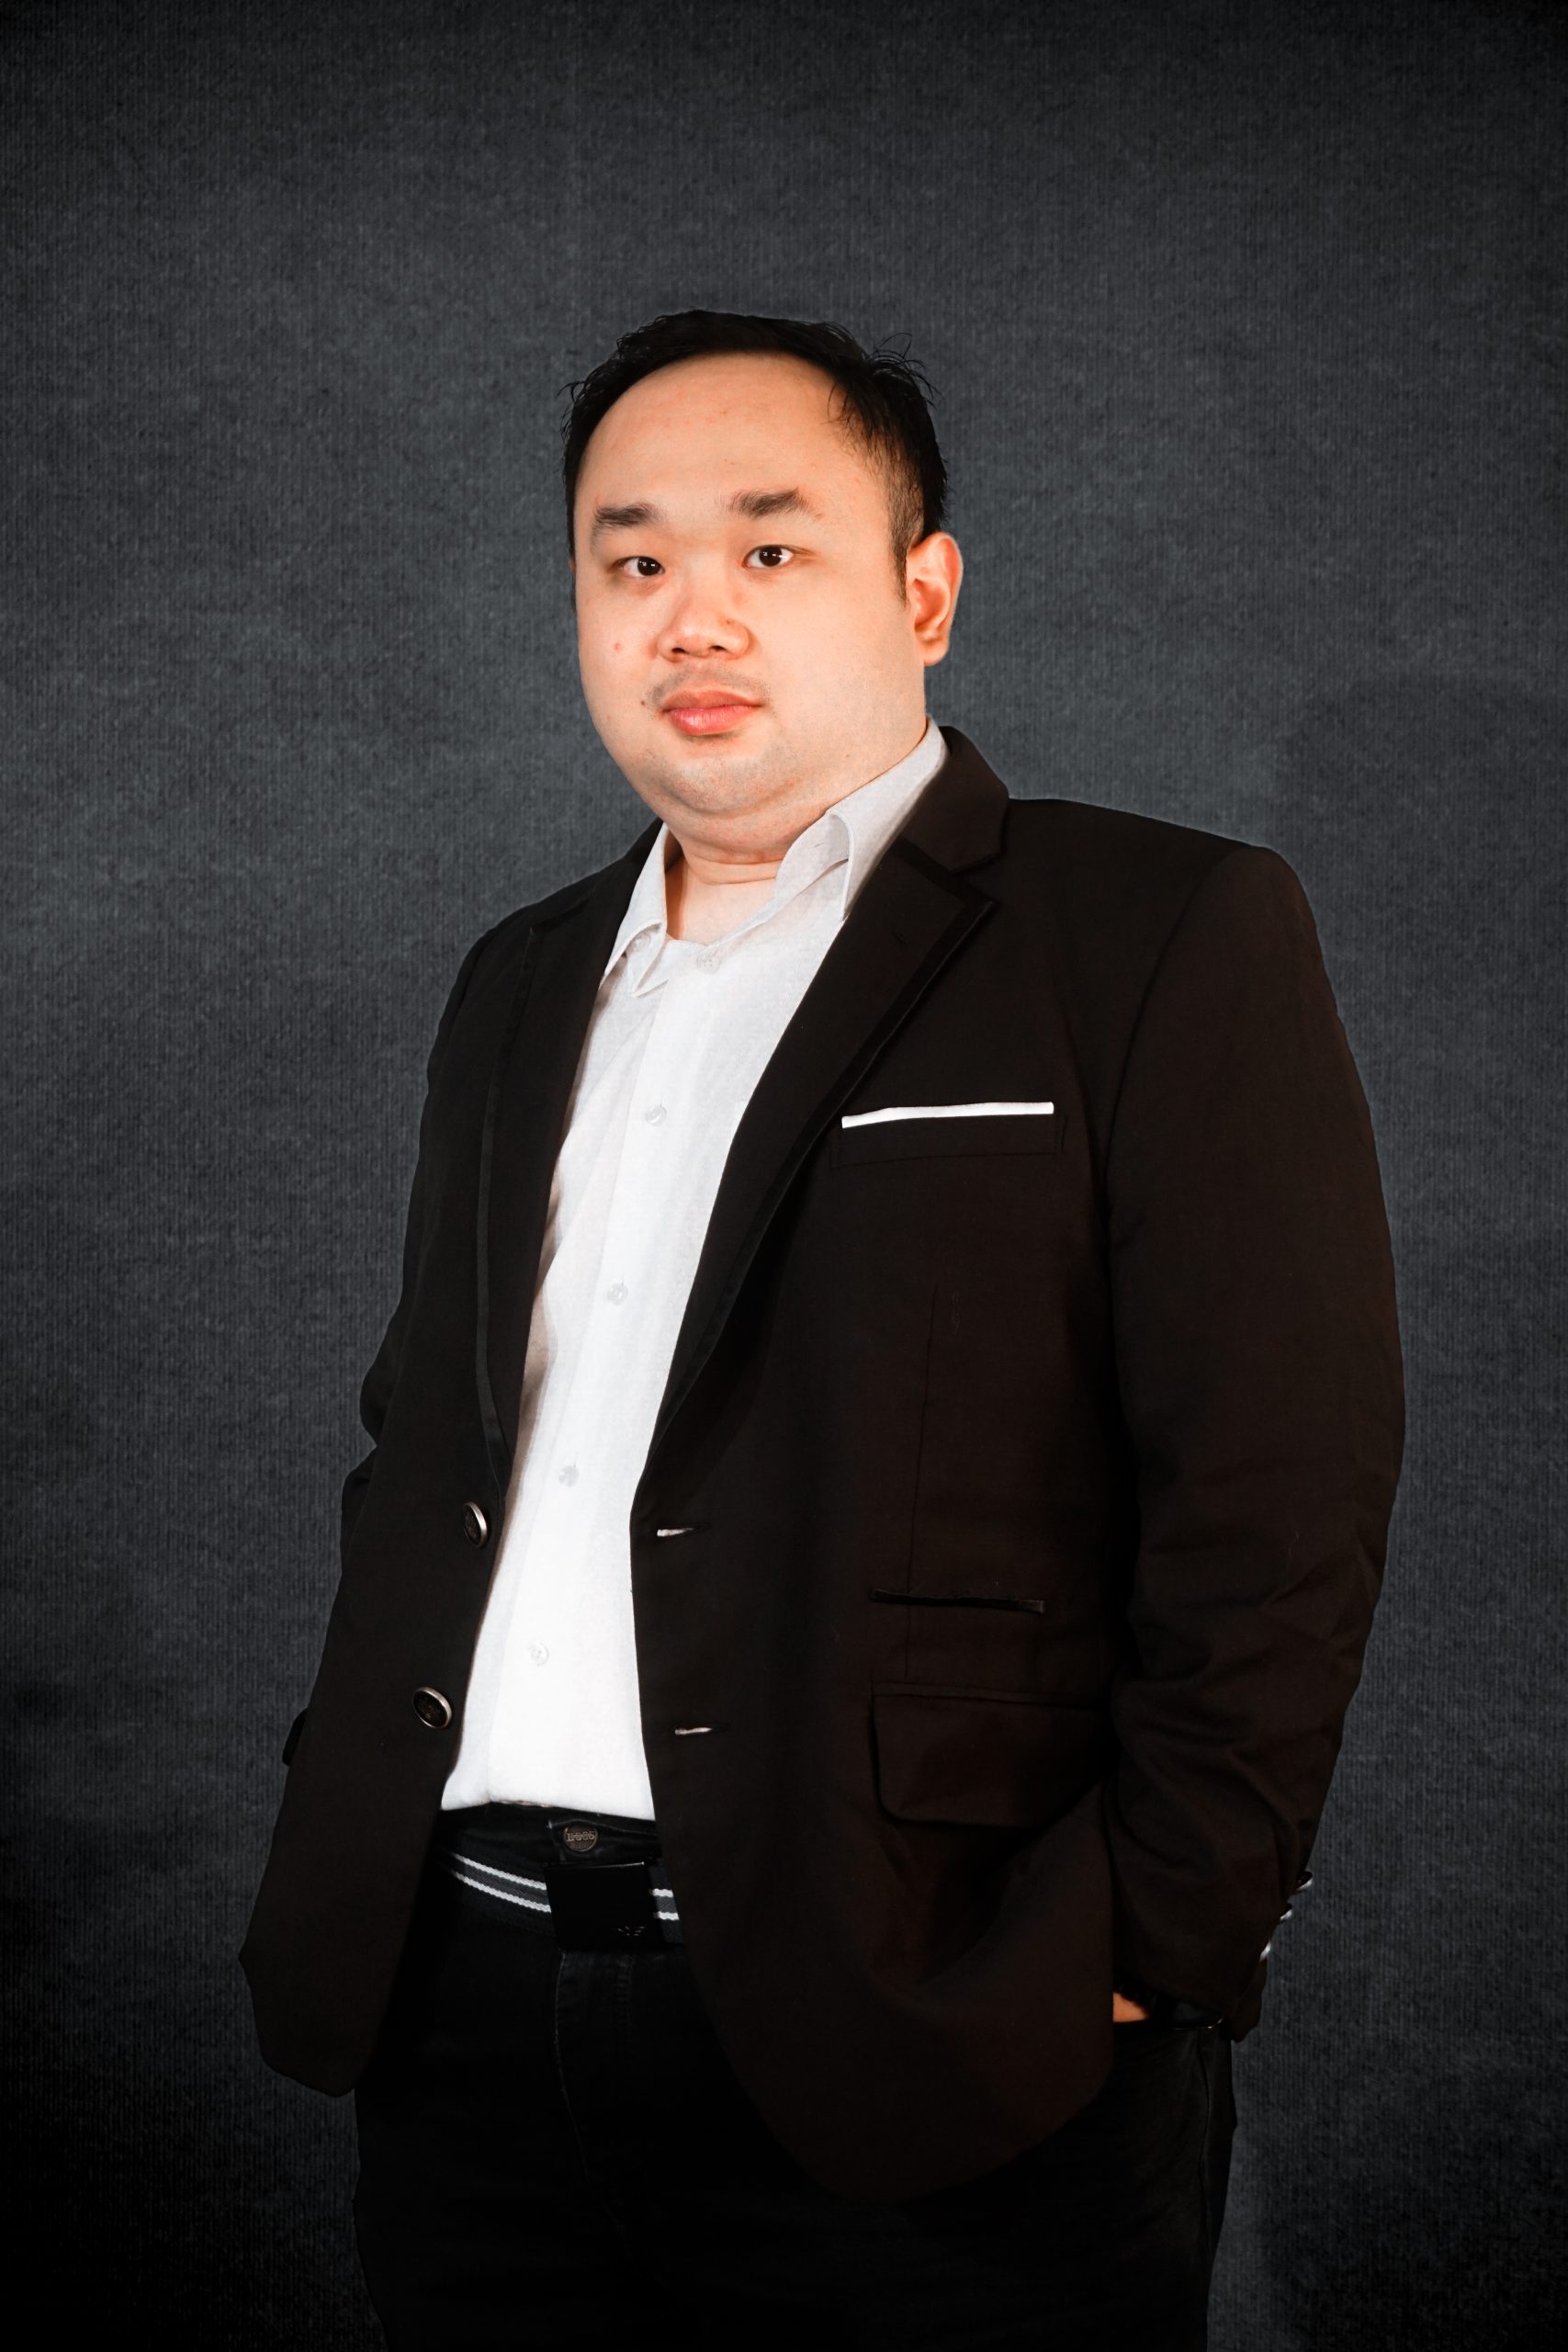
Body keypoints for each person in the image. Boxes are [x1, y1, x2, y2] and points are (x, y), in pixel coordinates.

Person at [241, 310, 1404, 2349]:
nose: (692, 612)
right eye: (632, 558)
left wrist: (1158, 1938)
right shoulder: (518, 977)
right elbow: (427, 1445)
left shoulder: (1152, 934)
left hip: (938, 2024)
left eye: (770, 548)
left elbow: (1275, 1488)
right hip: (466, 2022)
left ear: (923, 591)